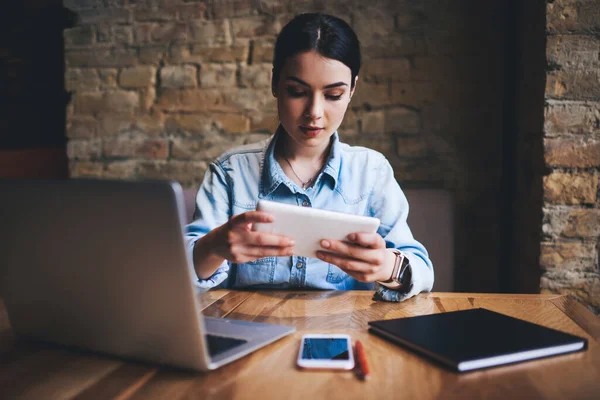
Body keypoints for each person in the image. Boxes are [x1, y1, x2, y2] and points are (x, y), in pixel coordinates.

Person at [184, 13, 434, 302]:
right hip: (250, 332)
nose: (314, 112)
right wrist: (213, 246)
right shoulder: (230, 172)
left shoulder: (371, 172)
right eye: (297, 91)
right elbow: (180, 275)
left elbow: (422, 269)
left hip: (345, 334)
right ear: (275, 84)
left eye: (333, 95)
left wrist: (389, 267)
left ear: (352, 89)